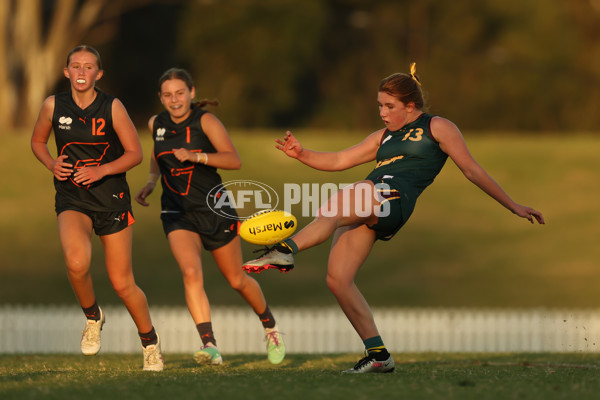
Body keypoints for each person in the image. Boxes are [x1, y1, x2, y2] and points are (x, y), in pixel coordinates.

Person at [243, 63, 545, 373]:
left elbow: (472, 170)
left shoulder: (437, 127)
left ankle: (285, 250)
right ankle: (378, 355)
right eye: (380, 105)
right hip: (373, 202)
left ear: (411, 106)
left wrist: (513, 205)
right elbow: (339, 159)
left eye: (390, 106)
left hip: (393, 197)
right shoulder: (383, 137)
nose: (383, 112)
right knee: (338, 279)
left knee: (341, 202)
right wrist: (302, 153)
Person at [135, 68, 285, 365]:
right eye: (167, 95)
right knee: (190, 273)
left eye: (179, 93)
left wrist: (197, 156)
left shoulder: (206, 121)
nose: (174, 100)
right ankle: (210, 345)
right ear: (160, 98)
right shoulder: (156, 124)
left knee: (236, 280)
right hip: (176, 212)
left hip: (215, 209)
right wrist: (152, 182)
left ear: (191, 93)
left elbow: (234, 160)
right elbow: (157, 153)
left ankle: (270, 327)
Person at [30, 45, 164, 371]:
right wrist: (51, 163)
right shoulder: (53, 105)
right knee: (76, 262)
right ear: (66, 72)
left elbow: (134, 153)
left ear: (98, 74)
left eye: (88, 67)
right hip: (72, 197)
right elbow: (37, 142)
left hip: (111, 198)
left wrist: (101, 170)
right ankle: (93, 317)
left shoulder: (112, 106)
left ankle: (150, 344)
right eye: (75, 66)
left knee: (122, 283)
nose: (80, 72)